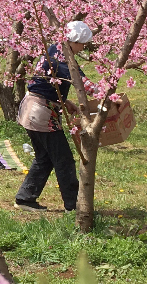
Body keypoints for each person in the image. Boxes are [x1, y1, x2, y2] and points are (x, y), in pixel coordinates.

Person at [15, 21, 93, 213]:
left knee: (44, 157)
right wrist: (109, 94)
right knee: (63, 159)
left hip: (32, 109)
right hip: (40, 114)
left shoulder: (53, 51)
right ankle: (73, 206)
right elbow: (82, 84)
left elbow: (47, 84)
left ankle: (25, 198)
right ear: (73, 41)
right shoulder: (61, 58)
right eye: (82, 43)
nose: (84, 47)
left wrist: (64, 102)